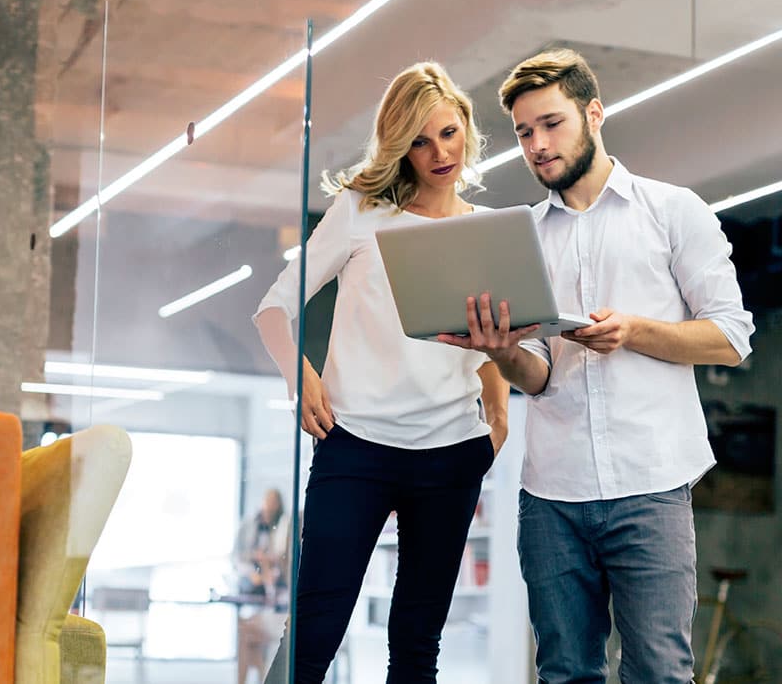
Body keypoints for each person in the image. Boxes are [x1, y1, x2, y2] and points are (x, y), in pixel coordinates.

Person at [438, 48, 755, 683]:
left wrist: (634, 331)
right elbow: (540, 374)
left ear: (594, 113)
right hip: (552, 493)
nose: (536, 145)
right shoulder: (521, 236)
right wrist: (500, 351)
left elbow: (730, 336)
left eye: (551, 124)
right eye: (525, 132)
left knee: (660, 672)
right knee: (562, 673)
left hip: (652, 484)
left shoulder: (672, 212)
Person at [253, 62, 508, 683]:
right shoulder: (362, 211)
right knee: (313, 634)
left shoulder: (488, 232)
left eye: (447, 133)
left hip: (450, 454)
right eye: (419, 141)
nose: (438, 152)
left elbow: (493, 341)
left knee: (417, 646)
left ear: (467, 128)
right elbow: (273, 309)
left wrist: (497, 417)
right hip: (355, 448)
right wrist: (301, 374)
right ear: (400, 147)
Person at [234, 488, 290, 684]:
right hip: (268, 603)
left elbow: (275, 585)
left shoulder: (282, 538)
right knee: (249, 634)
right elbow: (240, 558)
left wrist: (266, 567)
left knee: (246, 632)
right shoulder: (254, 526)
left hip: (281, 612)